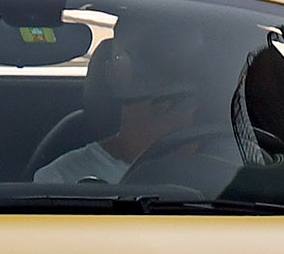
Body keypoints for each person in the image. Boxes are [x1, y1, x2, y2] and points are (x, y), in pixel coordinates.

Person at [36, 13, 245, 190]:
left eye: (182, 60)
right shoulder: (61, 180)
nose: (166, 73)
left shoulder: (239, 171)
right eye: (149, 56)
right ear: (113, 72)